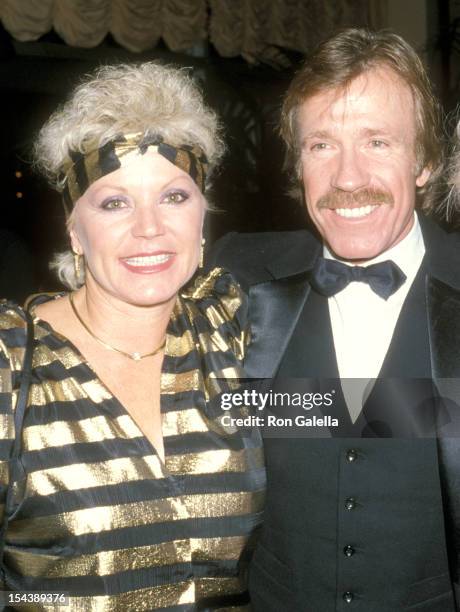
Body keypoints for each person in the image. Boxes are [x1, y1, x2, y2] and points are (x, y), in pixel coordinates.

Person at [209, 29, 460, 611]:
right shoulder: (236, 277)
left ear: (424, 160)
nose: (347, 178)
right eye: (321, 145)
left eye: (377, 141)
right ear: (296, 163)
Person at [0, 62, 265, 609]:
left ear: (203, 217)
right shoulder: (13, 365)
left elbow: (373, 425)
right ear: (74, 229)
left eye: (173, 197)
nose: (149, 227)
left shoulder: (232, 337)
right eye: (114, 202)